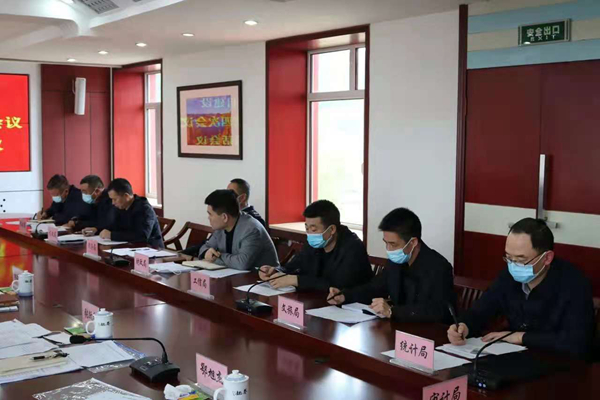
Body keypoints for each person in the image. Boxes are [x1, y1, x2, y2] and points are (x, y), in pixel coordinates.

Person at [447, 218, 595, 360]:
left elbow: (576, 341)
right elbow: (482, 309)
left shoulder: (574, 283)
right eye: (509, 258)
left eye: (521, 259)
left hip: (559, 363)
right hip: (516, 356)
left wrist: (520, 337)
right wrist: (464, 326)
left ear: (547, 258)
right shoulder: (508, 276)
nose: (513, 265)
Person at [327, 208, 455, 323]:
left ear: (413, 242)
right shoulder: (396, 261)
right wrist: (345, 295)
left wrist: (392, 311)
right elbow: (374, 287)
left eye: (393, 244)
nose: (388, 249)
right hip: (397, 328)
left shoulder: (439, 267)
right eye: (386, 243)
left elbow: (439, 311)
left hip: (426, 333)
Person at [259, 200, 373, 292]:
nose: (310, 234)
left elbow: (338, 285)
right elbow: (294, 265)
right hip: (317, 300)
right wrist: (275, 271)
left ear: (332, 229)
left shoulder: (352, 248)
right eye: (307, 228)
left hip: (351, 306)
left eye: (314, 229)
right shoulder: (313, 242)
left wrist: (297, 280)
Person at [197, 189, 278, 270]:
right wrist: (206, 252)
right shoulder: (220, 228)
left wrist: (216, 258)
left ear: (224, 217)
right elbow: (206, 247)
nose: (208, 218)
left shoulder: (251, 229)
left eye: (210, 214)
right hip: (234, 274)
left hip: (264, 275)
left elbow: (242, 263)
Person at [99, 178, 164, 248]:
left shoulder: (144, 209)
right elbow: (114, 226)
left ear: (126, 196)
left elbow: (142, 236)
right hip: (128, 247)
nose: (113, 203)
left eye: (115, 199)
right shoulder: (121, 207)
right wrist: (99, 230)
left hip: (151, 249)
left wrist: (112, 235)